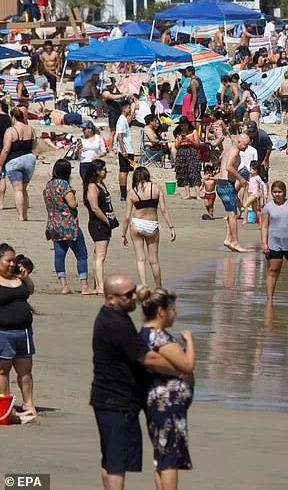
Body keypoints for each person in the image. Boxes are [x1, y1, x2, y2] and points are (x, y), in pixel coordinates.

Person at [91, 274, 180, 490]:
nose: (134, 297)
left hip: (111, 399)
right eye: (128, 295)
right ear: (111, 298)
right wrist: (180, 369)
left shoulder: (116, 316)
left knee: (111, 458)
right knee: (116, 462)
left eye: (134, 291)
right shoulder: (114, 322)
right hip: (116, 400)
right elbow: (147, 357)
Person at [137, 286, 195, 490]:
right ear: (161, 311)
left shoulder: (145, 335)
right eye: (173, 309)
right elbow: (187, 366)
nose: (175, 314)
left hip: (158, 403)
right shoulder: (158, 336)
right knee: (169, 458)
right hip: (167, 405)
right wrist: (190, 343)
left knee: (162, 456)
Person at [43, 159, 92, 295]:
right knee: (81, 255)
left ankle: (64, 286)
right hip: (68, 225)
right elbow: (72, 204)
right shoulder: (64, 185)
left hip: (54, 225)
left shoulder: (48, 185)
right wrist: (75, 198)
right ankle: (84, 286)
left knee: (59, 256)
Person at [121, 167, 175, 288]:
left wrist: (123, 234)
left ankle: (144, 285)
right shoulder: (156, 188)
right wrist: (171, 227)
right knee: (154, 260)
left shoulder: (132, 192)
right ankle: (158, 287)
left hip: (137, 224)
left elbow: (127, 217)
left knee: (140, 259)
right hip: (152, 224)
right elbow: (163, 210)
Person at [0, 243, 37, 420]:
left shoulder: (18, 278)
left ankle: (28, 403)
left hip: (23, 332)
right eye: (8, 260)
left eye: (14, 260)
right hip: (3, 333)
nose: (12, 264)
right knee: (2, 371)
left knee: (25, 372)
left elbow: (29, 291)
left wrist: (26, 278)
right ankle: (5, 404)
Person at [84, 159, 117, 295]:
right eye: (103, 169)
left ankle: (97, 284)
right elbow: (95, 208)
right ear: (97, 171)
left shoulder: (101, 184)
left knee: (98, 255)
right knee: (100, 256)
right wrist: (107, 221)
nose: (106, 171)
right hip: (98, 224)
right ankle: (100, 287)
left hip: (104, 223)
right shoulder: (92, 187)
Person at [0, 107, 36, 221]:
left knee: (18, 189)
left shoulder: (11, 130)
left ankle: (20, 216)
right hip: (29, 159)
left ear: (13, 117)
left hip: (14, 160)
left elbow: (6, 150)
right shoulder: (31, 129)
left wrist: (1, 164)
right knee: (24, 189)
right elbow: (34, 146)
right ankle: (25, 215)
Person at [216, 135, 249, 253]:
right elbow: (229, 167)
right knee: (233, 214)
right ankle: (235, 242)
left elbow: (221, 160)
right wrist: (241, 179)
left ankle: (228, 239)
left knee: (231, 214)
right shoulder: (234, 151)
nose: (247, 147)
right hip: (225, 185)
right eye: (245, 144)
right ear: (239, 142)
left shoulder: (230, 150)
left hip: (224, 184)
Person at [172, 119, 201, 200]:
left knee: (194, 172)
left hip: (191, 151)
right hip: (181, 153)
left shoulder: (193, 131)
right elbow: (176, 146)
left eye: (185, 125)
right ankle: (187, 194)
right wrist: (180, 139)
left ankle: (198, 195)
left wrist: (190, 140)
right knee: (184, 173)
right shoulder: (178, 133)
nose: (183, 127)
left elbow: (197, 145)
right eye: (182, 125)